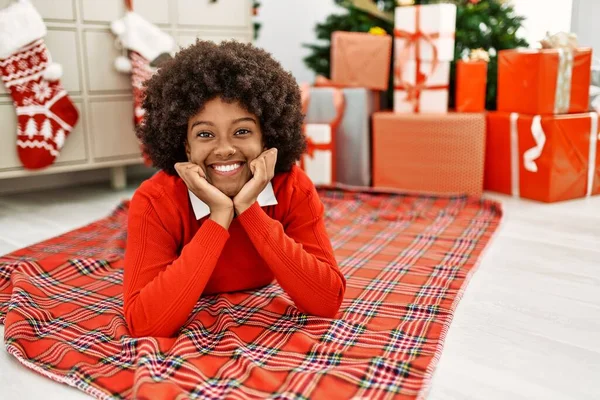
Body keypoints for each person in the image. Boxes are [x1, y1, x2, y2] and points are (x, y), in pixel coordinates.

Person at [123, 40, 346, 338]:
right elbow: (144, 323)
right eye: (205, 134)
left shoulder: (293, 187)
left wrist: (249, 209)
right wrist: (219, 217)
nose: (225, 149)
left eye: (242, 131)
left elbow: (327, 301)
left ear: (266, 138)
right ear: (185, 146)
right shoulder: (155, 200)